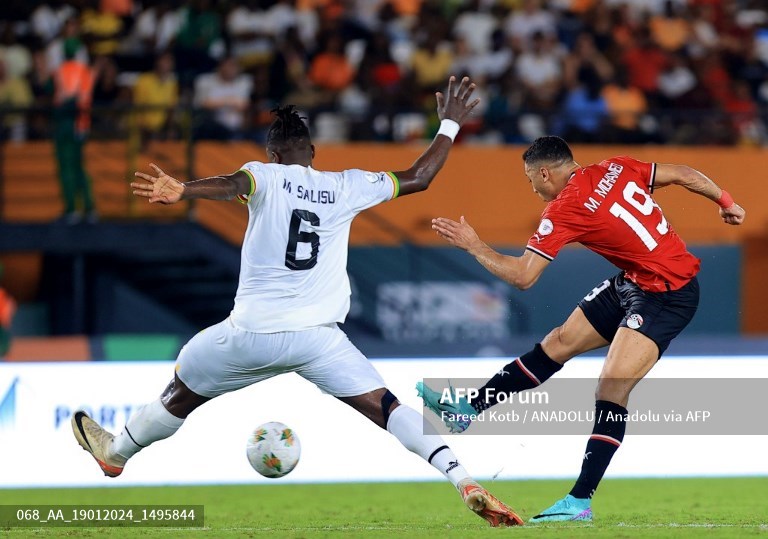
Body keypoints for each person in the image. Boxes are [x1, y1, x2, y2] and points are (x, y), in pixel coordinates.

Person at [71, 77, 523, 527]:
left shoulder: (264, 175)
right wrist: (449, 124)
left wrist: (184, 190)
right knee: (388, 408)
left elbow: (231, 184)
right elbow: (419, 177)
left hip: (251, 334)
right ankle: (462, 479)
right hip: (318, 339)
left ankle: (116, 453)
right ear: (313, 153)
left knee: (181, 392)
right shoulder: (347, 185)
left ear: (273, 155)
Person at [418, 136, 745, 523]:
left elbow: (523, 277)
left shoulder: (565, 207)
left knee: (611, 388)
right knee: (558, 343)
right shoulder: (616, 166)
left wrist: (475, 246)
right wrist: (726, 201)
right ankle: (467, 410)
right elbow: (684, 174)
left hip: (667, 294)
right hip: (634, 281)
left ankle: (579, 501)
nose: (532, 188)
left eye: (529, 179)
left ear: (544, 173)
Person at [52, 38, 96, 224]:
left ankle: (71, 209)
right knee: (79, 168)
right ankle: (90, 208)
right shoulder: (85, 72)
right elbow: (85, 99)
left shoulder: (59, 71)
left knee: (66, 169)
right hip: (80, 124)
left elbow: (53, 95)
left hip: (64, 123)